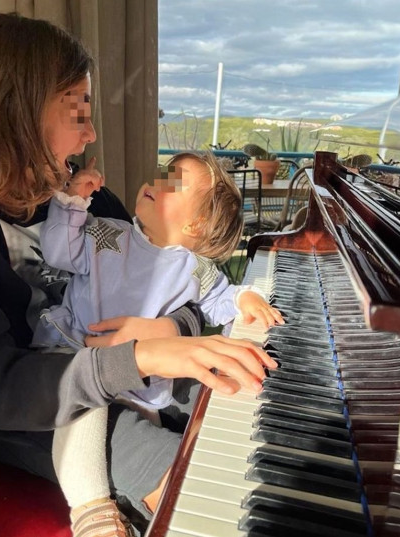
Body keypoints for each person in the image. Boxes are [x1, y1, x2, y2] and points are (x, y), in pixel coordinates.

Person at [0, 13, 277, 537]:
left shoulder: (88, 197)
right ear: (16, 115)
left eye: (88, 108)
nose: (91, 131)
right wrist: (135, 358)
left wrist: (176, 330)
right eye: (75, 110)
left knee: (230, 401)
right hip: (28, 408)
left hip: (118, 371)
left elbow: (159, 279)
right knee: (184, 478)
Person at [32, 151, 284, 533]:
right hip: (77, 353)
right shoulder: (106, 233)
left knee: (178, 412)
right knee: (82, 409)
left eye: (174, 183)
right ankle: (92, 511)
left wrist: (244, 298)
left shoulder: (193, 267)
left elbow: (220, 301)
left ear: (197, 224)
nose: (154, 183)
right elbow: (58, 251)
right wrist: (71, 202)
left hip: (140, 376)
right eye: (161, 176)